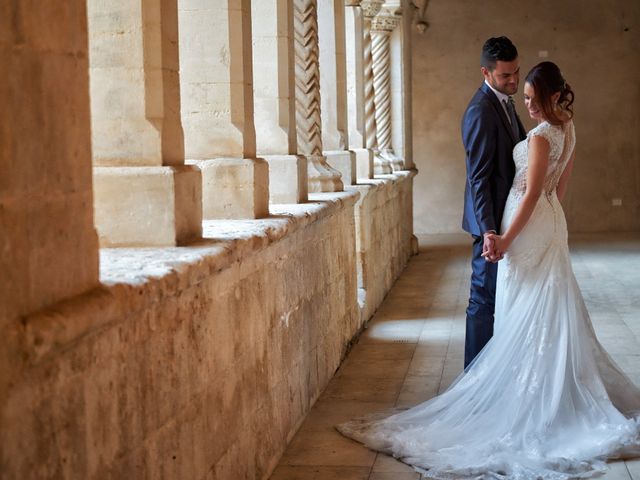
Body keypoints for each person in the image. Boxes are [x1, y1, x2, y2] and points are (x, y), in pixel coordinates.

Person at [337, 61, 640, 479]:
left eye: (534, 99)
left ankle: (527, 397)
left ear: (553, 95)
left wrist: (508, 239)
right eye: (526, 99)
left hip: (528, 224)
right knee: (548, 303)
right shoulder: (568, 125)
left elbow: (531, 193)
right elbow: (557, 189)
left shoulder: (537, 138)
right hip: (552, 221)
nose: (528, 106)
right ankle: (551, 390)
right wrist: (550, 219)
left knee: (525, 305)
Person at [461, 37, 527, 369]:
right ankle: (472, 380)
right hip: (490, 224)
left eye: (516, 73)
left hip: (506, 218)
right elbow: (478, 178)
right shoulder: (480, 111)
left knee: (501, 298)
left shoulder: (507, 103)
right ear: (486, 72)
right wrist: (488, 230)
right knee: (483, 300)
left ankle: (494, 375)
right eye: (505, 76)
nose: (514, 81)